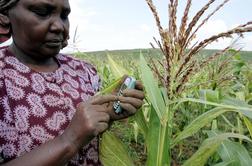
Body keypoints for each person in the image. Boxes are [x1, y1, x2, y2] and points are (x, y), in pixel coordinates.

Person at [0, 0, 145, 165]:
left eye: (64, 16)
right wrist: (70, 140)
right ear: (4, 16)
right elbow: (77, 135)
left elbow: (92, 135)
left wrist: (108, 113)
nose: (59, 26)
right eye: (42, 12)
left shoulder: (84, 70)